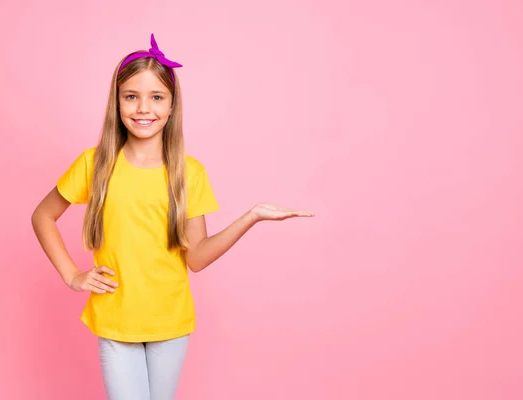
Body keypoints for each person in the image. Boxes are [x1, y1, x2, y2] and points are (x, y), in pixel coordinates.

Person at [31, 33, 314, 400]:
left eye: (156, 97)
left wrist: (252, 216)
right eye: (131, 96)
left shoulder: (188, 172)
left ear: (171, 105)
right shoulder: (95, 164)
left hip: (171, 321)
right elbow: (43, 216)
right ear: (116, 102)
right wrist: (72, 275)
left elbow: (196, 258)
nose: (143, 108)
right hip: (116, 318)